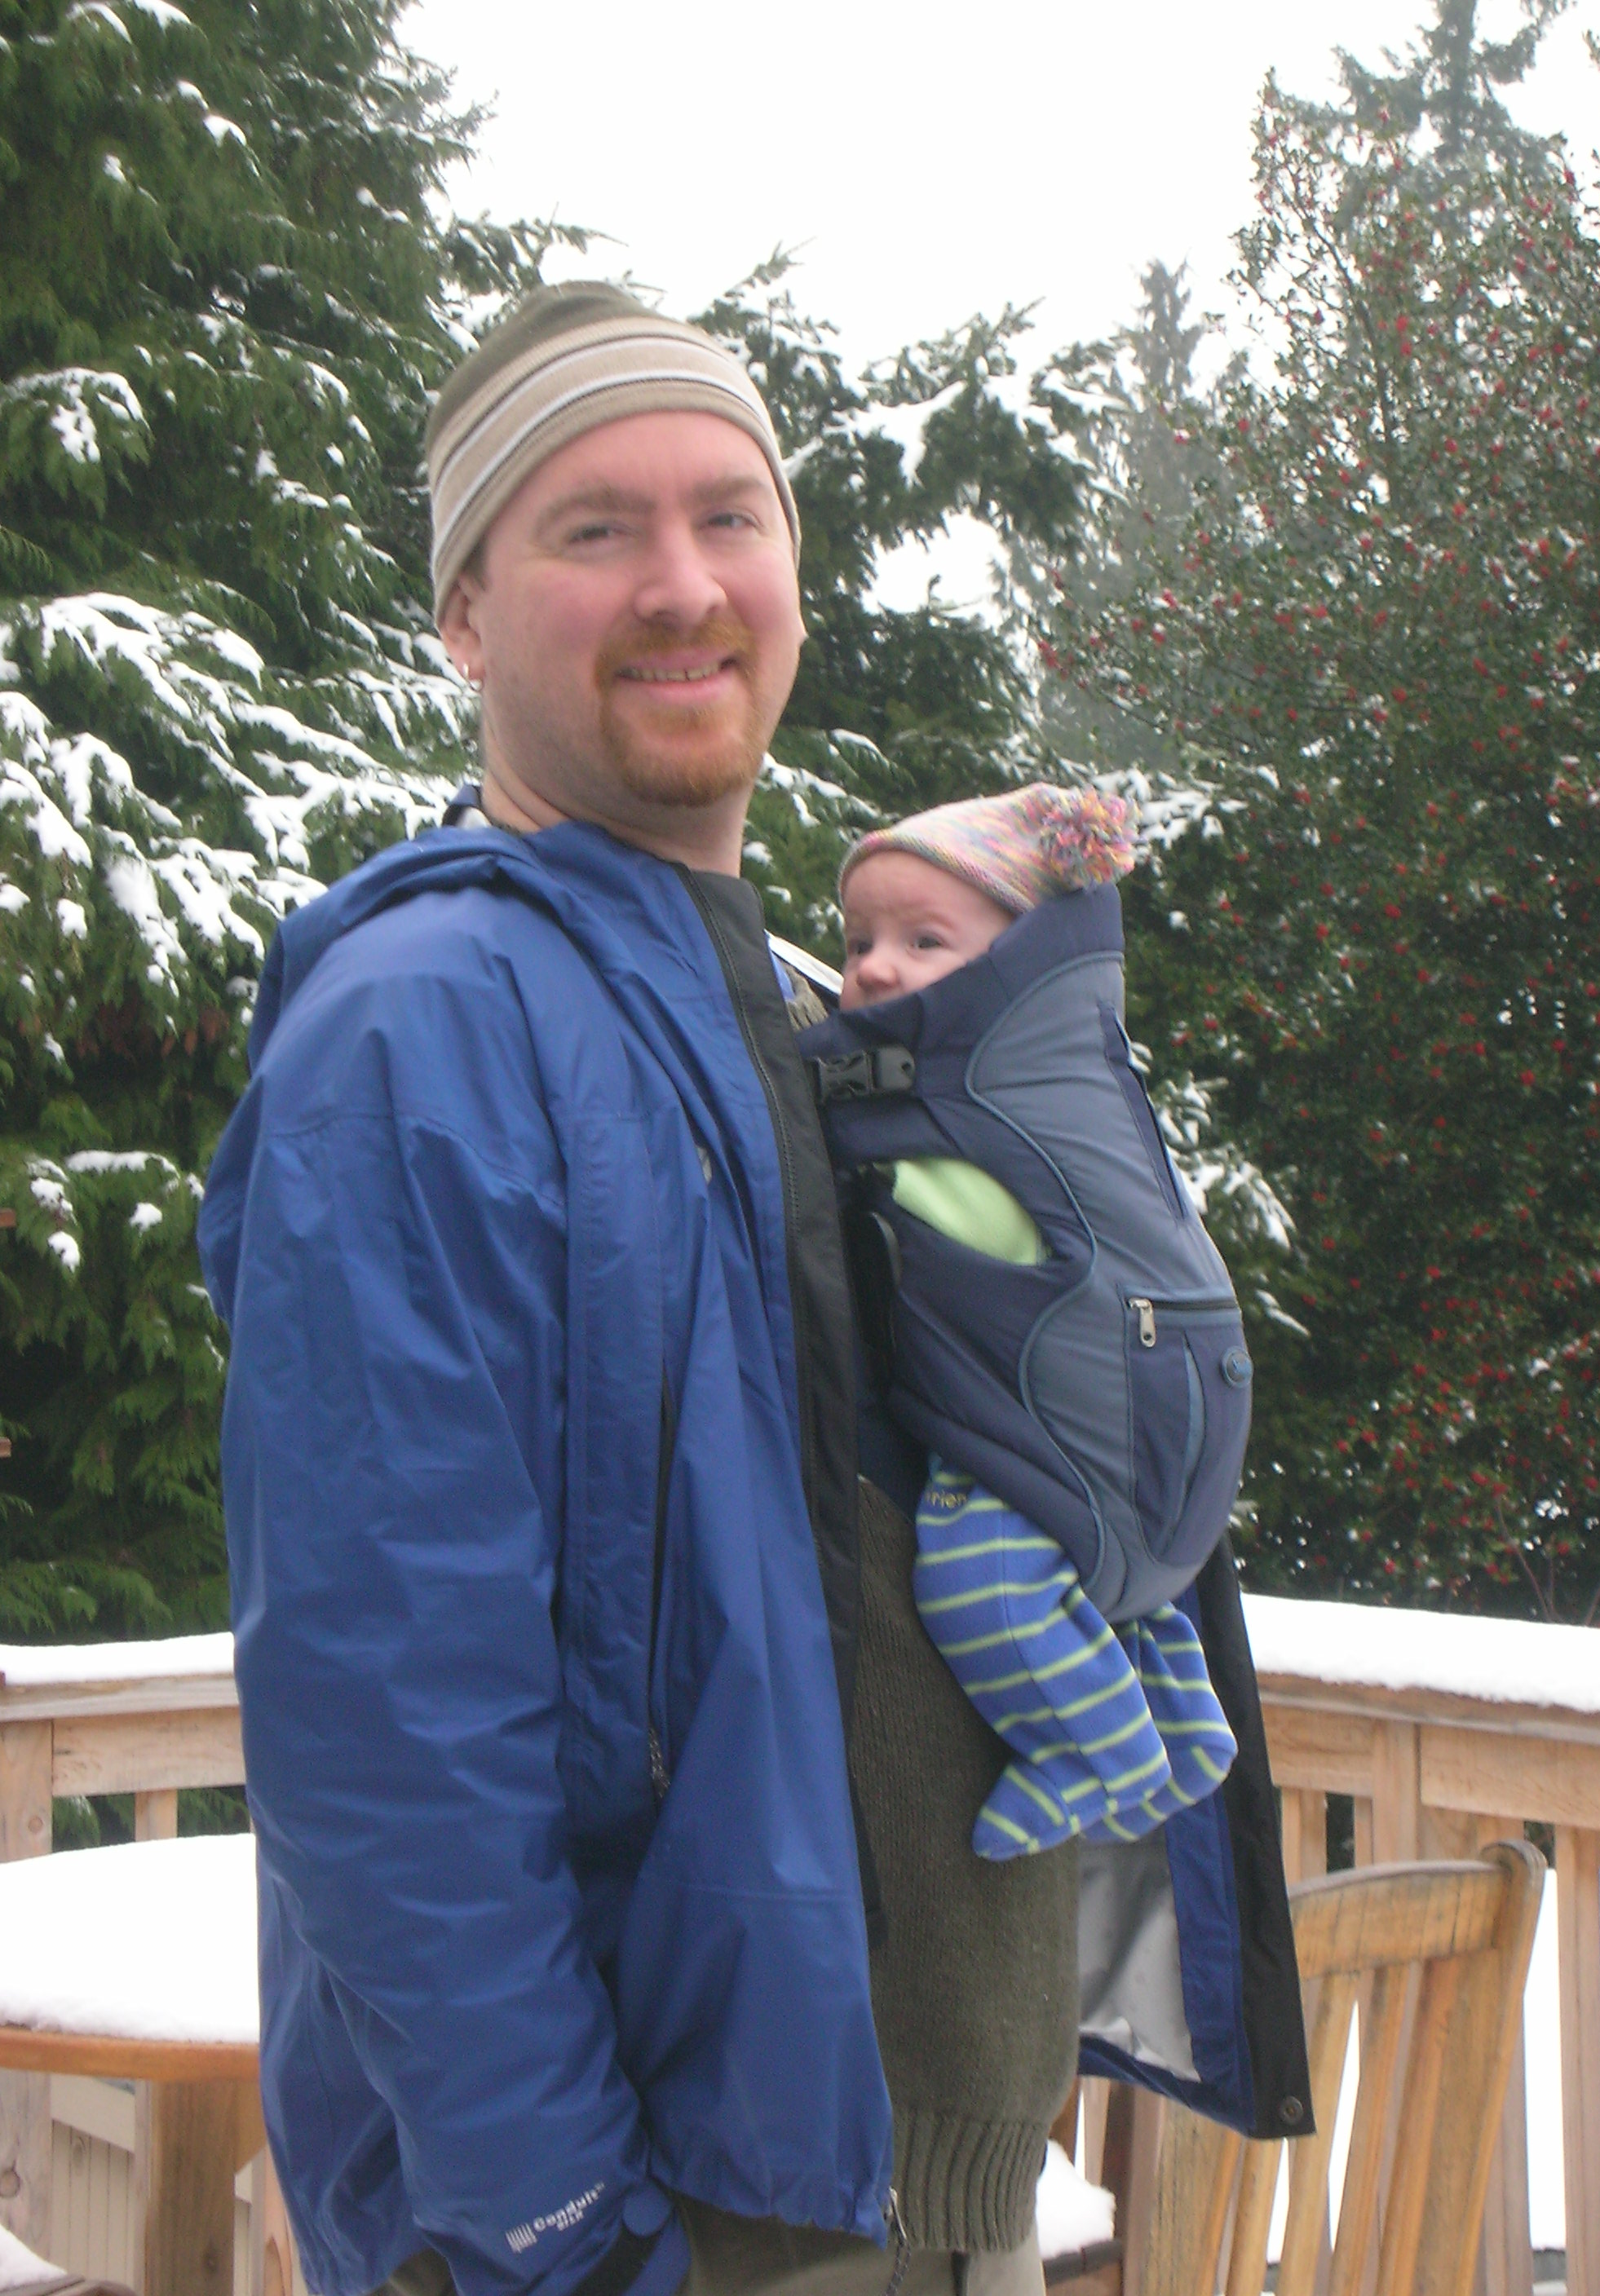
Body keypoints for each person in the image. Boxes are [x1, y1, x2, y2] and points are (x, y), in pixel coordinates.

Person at [199, 281, 1310, 2296]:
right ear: (464, 616)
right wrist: (559, 2228)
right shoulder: (423, 1025)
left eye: (731, 515)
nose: (684, 583)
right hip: (655, 2208)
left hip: (894, 2162)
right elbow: (388, 1724)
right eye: (593, 526)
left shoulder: (804, 1011)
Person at [831, 786, 1240, 1862]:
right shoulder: (1071, 1077)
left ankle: (1101, 1756)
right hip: (1165, 1451)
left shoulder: (966, 1109)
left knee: (982, 1574)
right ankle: (1189, 1736)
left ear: (1019, 957)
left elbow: (875, 1182)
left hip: (1072, 1454)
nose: (875, 970)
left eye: (924, 940)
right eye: (860, 941)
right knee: (1121, 1603)